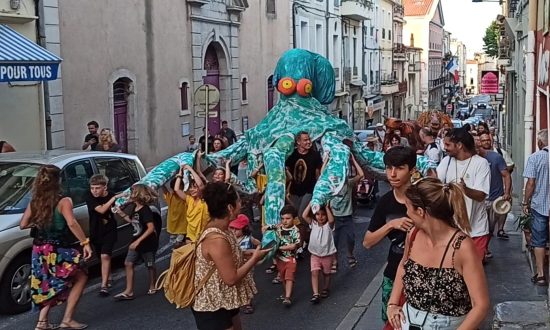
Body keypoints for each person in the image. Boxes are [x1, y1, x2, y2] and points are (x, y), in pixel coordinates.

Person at [386, 177, 489, 330]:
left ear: (420, 212)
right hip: (409, 321)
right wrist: (392, 304)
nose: (407, 214)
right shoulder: (413, 234)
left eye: (408, 208)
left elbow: (480, 305)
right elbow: (403, 264)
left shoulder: (461, 247)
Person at [20, 165, 92, 330]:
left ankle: (42, 322)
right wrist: (85, 243)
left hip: (38, 249)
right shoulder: (63, 201)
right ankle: (67, 319)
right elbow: (72, 223)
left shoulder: (35, 201)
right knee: (80, 276)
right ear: (58, 181)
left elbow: (23, 224)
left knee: (47, 283)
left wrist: (41, 220)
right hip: (58, 249)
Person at [192, 182, 268, 330]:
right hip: (211, 306)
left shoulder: (224, 229)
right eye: (239, 201)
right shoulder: (217, 239)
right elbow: (230, 278)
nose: (241, 204)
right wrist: (254, 259)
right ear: (229, 207)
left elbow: (223, 258)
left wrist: (246, 253)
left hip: (223, 299)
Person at [363, 146, 416, 323]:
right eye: (388, 168)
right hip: (393, 274)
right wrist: (391, 224)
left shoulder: (423, 198)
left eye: (399, 168)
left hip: (421, 275)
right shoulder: (385, 202)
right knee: (391, 323)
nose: (392, 174)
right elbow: (367, 242)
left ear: (412, 171)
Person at [437, 125, 491, 262]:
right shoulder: (446, 161)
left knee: (472, 273)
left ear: (459, 145)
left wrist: (465, 189)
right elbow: (436, 184)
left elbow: (481, 195)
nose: (445, 147)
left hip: (476, 231)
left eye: (448, 144)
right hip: (452, 230)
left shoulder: (481, 164)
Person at [113, 184, 159, 300]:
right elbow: (134, 221)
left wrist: (138, 241)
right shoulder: (135, 208)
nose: (130, 195)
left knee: (150, 264)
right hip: (136, 239)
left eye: (132, 193)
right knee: (128, 263)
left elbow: (150, 228)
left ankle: (153, 285)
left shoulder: (145, 210)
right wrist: (121, 213)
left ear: (138, 195)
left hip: (147, 242)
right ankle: (129, 291)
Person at [86, 174, 121, 296]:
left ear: (104, 187)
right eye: (92, 188)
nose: (94, 191)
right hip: (96, 231)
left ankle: (104, 285)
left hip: (109, 229)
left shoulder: (111, 195)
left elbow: (118, 208)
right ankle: (108, 276)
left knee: (105, 255)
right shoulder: (90, 197)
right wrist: (113, 199)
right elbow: (101, 210)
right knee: (102, 255)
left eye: (97, 188)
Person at [522, 129, 549, 286]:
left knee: (539, 241)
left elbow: (531, 183)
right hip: (541, 205)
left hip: (540, 205)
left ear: (539, 143)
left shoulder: (535, 158)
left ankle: (540, 275)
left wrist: (526, 202)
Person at [285, 131, 322, 245]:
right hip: (294, 191)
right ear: (298, 142)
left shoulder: (315, 155)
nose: (308, 142)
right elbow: (286, 171)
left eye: (309, 139)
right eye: (305, 140)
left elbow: (318, 174)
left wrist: (318, 191)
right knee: (295, 217)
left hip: (309, 191)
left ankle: (304, 240)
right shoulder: (292, 155)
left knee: (302, 216)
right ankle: (302, 240)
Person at [330, 152, 363, 270]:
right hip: (335, 217)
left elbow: (361, 174)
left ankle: (350, 253)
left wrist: (353, 160)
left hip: (347, 216)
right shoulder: (331, 185)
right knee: (334, 240)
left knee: (351, 237)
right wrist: (327, 161)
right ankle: (334, 259)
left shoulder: (348, 184)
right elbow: (321, 178)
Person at [264, 205, 301, 306]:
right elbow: (264, 229)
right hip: (279, 258)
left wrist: (278, 248)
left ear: (294, 218)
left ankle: (288, 297)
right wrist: (267, 233)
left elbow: (294, 245)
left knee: (289, 276)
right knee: (283, 277)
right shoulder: (278, 227)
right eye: (283, 218)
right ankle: (286, 294)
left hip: (290, 258)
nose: (285, 221)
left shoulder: (295, 230)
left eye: (288, 218)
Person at [478, 132, 512, 243]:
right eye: (483, 140)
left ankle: (499, 230)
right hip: (481, 198)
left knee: (490, 227)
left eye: (488, 140)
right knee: (483, 229)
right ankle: (484, 251)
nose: (486, 142)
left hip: (494, 197)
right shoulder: (474, 158)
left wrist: (506, 192)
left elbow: (506, 175)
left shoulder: (497, 156)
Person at [302, 204, 336, 304]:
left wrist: (326, 207)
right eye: (317, 214)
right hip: (315, 254)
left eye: (323, 215)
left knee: (326, 273)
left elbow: (331, 220)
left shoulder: (329, 226)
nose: (320, 217)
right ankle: (315, 293)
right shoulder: (313, 224)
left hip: (327, 254)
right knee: (314, 272)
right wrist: (310, 204)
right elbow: (304, 215)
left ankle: (325, 288)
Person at [228, 214, 260, 314]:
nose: (233, 231)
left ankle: (248, 303)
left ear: (244, 229)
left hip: (247, 265)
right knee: (238, 282)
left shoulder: (248, 238)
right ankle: (238, 300)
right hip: (236, 264)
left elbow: (259, 243)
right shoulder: (230, 239)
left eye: (236, 229)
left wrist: (255, 252)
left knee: (247, 282)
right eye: (231, 228)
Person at [173, 164, 209, 243]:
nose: (192, 190)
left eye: (195, 187)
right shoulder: (189, 199)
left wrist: (190, 169)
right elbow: (176, 189)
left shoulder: (204, 200)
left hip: (204, 237)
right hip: (190, 236)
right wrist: (180, 174)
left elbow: (200, 185)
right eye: (191, 187)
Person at [162, 177, 187, 247]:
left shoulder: (185, 197)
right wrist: (161, 183)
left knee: (178, 244)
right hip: (172, 228)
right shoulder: (171, 197)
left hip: (182, 228)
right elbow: (165, 191)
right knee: (176, 245)